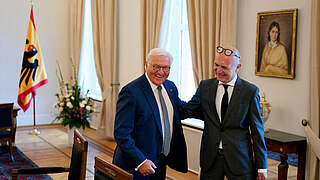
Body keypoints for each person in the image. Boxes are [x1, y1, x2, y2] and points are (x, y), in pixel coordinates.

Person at [181, 46, 268, 180]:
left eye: (224, 67)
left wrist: (262, 166)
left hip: (239, 160)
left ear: (238, 67)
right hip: (210, 159)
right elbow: (187, 110)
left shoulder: (249, 91)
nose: (219, 70)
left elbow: (257, 131)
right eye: (216, 65)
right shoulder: (205, 87)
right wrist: (168, 94)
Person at [113, 48, 188, 180]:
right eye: (156, 66)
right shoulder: (131, 92)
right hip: (135, 166)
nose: (161, 72)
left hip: (160, 163)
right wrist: (140, 161)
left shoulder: (170, 87)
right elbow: (122, 133)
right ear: (146, 65)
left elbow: (181, 110)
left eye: (166, 67)